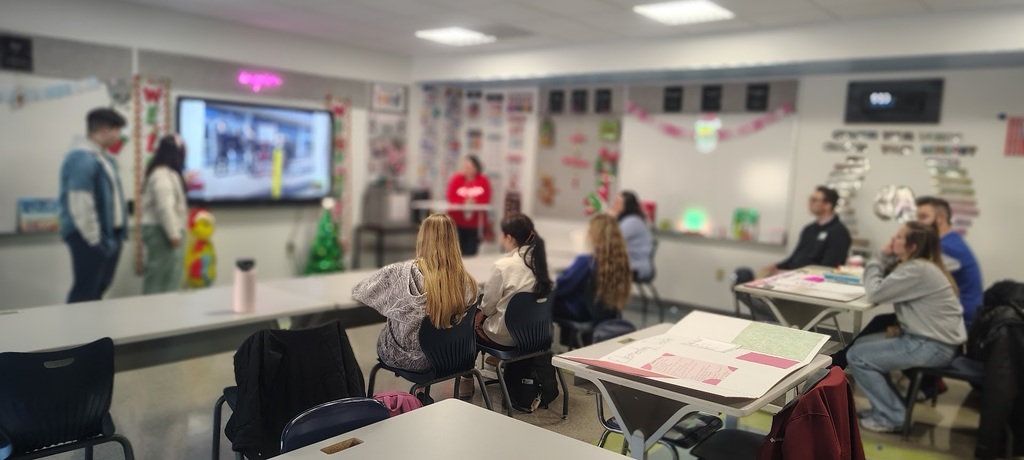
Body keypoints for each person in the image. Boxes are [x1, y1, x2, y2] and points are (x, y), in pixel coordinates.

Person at [845, 221, 966, 433]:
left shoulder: (917, 270)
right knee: (863, 344)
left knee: (857, 356)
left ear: (912, 247)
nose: (893, 239)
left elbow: (875, 292)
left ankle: (894, 416)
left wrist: (878, 258)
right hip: (933, 341)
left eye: (899, 237)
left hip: (932, 345)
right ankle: (886, 409)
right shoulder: (923, 265)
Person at [352, 214, 478, 373]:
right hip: (451, 356)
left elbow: (361, 291)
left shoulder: (401, 273)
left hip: (407, 358)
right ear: (453, 240)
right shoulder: (467, 282)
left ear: (422, 238)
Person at [459, 213, 553, 399]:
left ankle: (466, 378)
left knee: (469, 320)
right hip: (535, 335)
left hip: (507, 338)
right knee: (504, 310)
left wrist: (479, 314)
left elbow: (487, 308)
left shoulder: (504, 265)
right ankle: (496, 360)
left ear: (509, 238)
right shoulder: (539, 262)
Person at [58, 108, 128, 303]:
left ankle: (93, 332)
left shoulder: (101, 157)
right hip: (89, 238)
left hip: (106, 236)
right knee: (85, 293)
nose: (119, 136)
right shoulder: (81, 158)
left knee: (96, 290)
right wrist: (94, 241)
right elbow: (80, 202)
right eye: (117, 130)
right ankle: (80, 334)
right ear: (104, 129)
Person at [552, 214, 632, 327]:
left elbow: (561, 288)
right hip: (602, 314)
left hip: (578, 311)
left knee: (536, 304)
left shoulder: (586, 261)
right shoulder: (621, 263)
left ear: (594, 235)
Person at [915, 196, 984, 326]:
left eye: (923, 217)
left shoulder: (947, 247)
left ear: (940, 218)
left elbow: (918, 281)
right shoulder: (951, 241)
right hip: (953, 316)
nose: (917, 223)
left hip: (958, 322)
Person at [140, 135, 189, 294]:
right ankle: (156, 317)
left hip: (164, 232)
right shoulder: (162, 175)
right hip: (163, 233)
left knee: (169, 278)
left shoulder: (167, 173)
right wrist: (173, 234)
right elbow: (164, 207)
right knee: (161, 281)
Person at [767, 186, 851, 274]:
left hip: (809, 281)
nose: (810, 203)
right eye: (810, 199)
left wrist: (786, 273)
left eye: (814, 200)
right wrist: (776, 266)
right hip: (792, 275)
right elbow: (795, 257)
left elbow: (827, 268)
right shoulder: (809, 229)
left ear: (828, 205)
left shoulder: (839, 233)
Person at [446, 155, 491, 256]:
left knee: (471, 252)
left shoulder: (483, 181)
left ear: (476, 168)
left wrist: (473, 201)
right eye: (464, 167)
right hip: (456, 222)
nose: (465, 170)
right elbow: (451, 197)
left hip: (475, 223)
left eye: (468, 167)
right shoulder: (456, 179)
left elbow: (486, 199)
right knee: (455, 252)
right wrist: (464, 200)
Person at [610, 190, 654, 281]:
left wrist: (608, 218)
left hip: (635, 266)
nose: (614, 206)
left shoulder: (632, 221)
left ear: (626, 206)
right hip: (629, 263)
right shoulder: (629, 220)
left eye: (617, 203)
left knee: (596, 269)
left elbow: (610, 240)